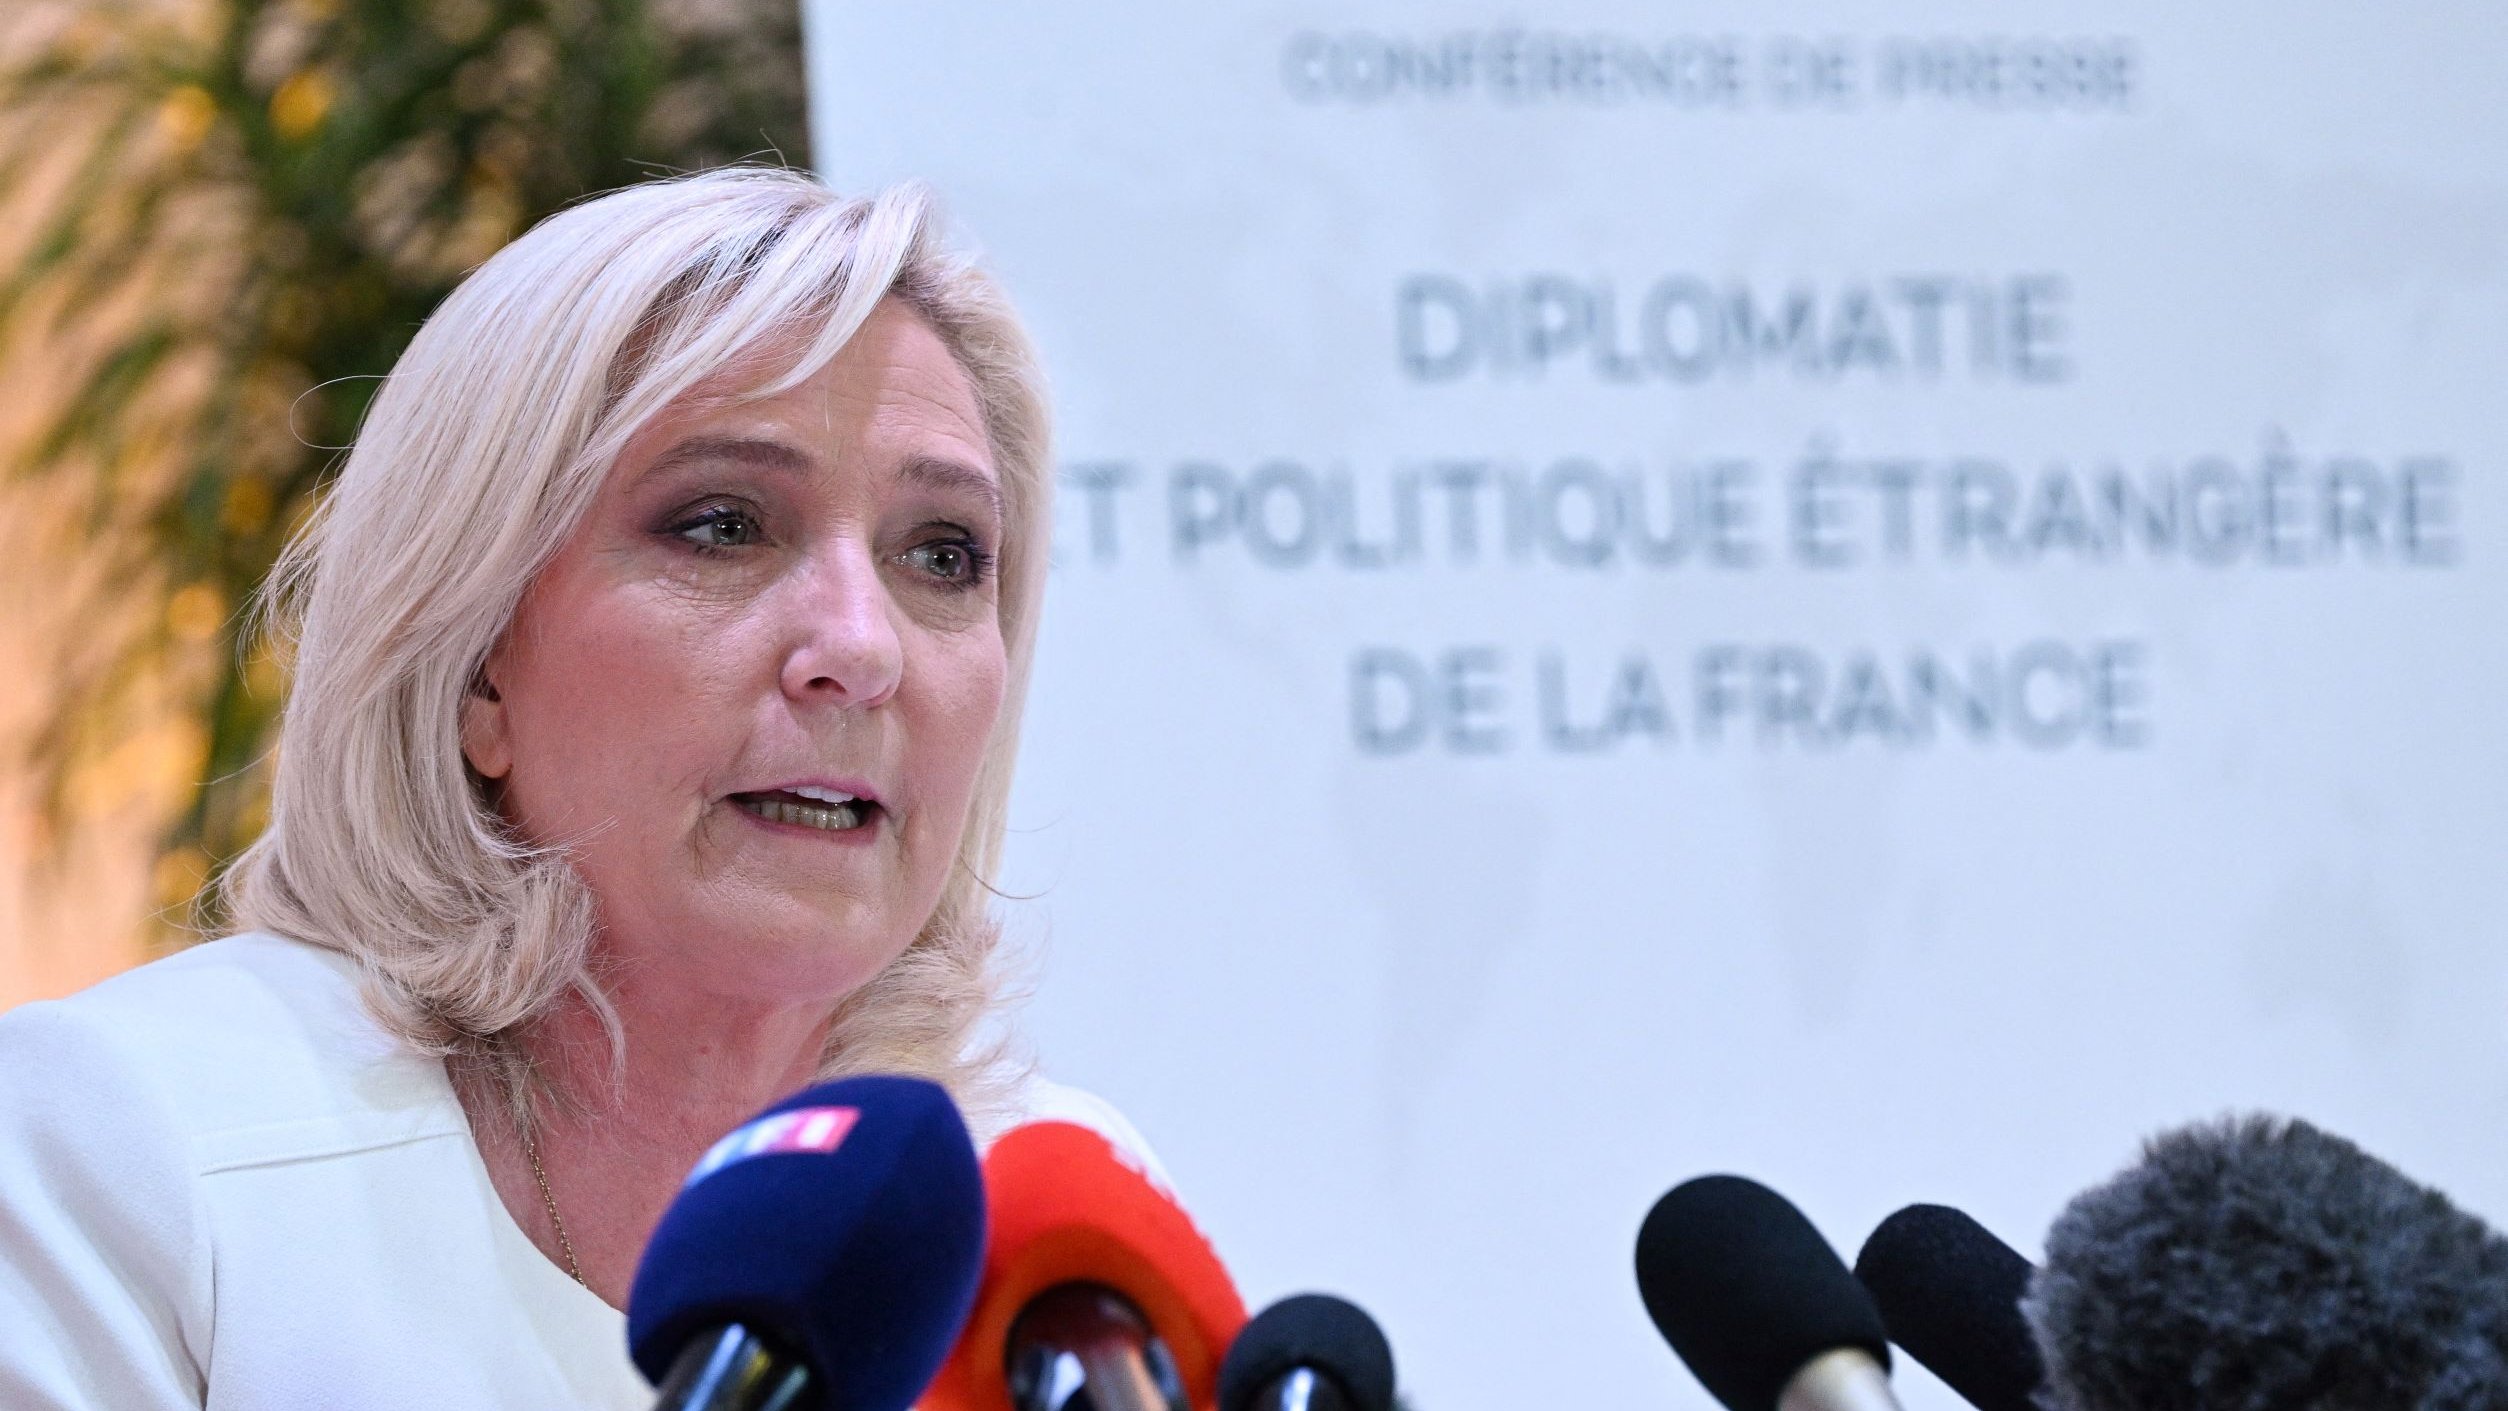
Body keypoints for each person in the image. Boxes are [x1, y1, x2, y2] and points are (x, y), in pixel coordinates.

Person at [0, 168, 1154, 1408]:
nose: (861, 648)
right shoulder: (123, 1146)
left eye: (943, 554)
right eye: (722, 525)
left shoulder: (1054, 1223)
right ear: (476, 662)